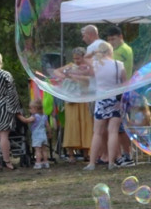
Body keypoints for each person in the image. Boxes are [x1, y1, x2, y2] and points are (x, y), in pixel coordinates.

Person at [86, 39, 127, 172]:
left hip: (101, 100)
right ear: (111, 51)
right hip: (115, 100)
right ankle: (111, 162)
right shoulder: (119, 65)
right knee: (113, 131)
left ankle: (92, 163)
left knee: (97, 132)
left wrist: (93, 52)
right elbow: (125, 84)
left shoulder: (95, 64)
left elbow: (86, 58)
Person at [103, 25, 135, 167]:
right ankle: (122, 155)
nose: (111, 42)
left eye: (113, 39)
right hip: (115, 91)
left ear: (120, 37)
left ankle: (128, 156)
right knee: (118, 126)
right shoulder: (115, 52)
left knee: (122, 126)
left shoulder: (124, 50)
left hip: (122, 91)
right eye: (109, 40)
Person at [57, 47, 94, 164]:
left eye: (78, 58)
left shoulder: (88, 67)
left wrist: (76, 77)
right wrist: (65, 76)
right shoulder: (70, 66)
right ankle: (70, 154)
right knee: (72, 125)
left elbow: (90, 79)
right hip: (72, 100)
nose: (76, 61)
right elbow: (56, 72)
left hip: (84, 99)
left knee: (85, 124)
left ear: (83, 57)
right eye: (74, 58)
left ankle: (86, 153)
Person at [29, 99, 51, 169]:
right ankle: (46, 162)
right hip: (43, 136)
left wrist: (20, 117)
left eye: (30, 108)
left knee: (37, 150)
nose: (30, 110)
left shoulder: (34, 116)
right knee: (44, 150)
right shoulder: (44, 116)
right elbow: (48, 126)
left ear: (35, 109)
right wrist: (49, 133)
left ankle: (38, 163)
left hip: (37, 137)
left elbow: (27, 121)